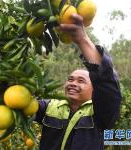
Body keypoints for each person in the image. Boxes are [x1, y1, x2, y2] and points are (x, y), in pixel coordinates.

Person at [35, 14, 122, 150]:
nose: (73, 83)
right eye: (70, 79)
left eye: (81, 81)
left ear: (94, 89)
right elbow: (25, 105)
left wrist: (83, 41)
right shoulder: (50, 107)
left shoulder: (99, 114)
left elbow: (108, 87)